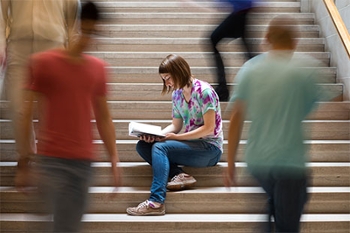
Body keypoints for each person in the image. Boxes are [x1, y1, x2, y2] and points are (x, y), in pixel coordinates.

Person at [15, 2, 122, 232]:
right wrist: (26, 161)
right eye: (88, 30)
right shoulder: (43, 63)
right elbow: (26, 113)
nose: (90, 38)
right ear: (78, 26)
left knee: (69, 228)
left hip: (83, 163)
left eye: (95, 32)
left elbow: (104, 117)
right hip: (50, 162)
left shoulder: (98, 68)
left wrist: (114, 157)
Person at [224, 16, 331, 232]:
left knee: (267, 215)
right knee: (287, 226)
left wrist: (230, 162)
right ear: (295, 41)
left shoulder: (250, 69)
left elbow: (236, 117)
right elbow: (315, 106)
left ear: (267, 38)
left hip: (258, 161)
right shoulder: (307, 69)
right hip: (291, 162)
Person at [127, 54, 223, 216]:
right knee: (144, 146)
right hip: (191, 145)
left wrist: (175, 138)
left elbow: (209, 128)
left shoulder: (204, 92)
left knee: (160, 148)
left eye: (168, 78)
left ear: (179, 72)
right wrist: (156, 135)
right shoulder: (177, 94)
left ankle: (156, 201)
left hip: (210, 149)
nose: (167, 83)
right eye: (164, 79)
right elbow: (176, 125)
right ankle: (180, 175)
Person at [0, 0, 80, 157]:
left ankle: (49, 156)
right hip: (19, 45)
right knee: (18, 107)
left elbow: (73, 14)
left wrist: (73, 51)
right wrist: (1, 44)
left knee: (50, 108)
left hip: (54, 45)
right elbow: (0, 13)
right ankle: (26, 156)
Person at [210, 0, 255, 101]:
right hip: (242, 10)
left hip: (241, 10)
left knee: (213, 38)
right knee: (247, 47)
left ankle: (223, 89)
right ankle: (261, 80)